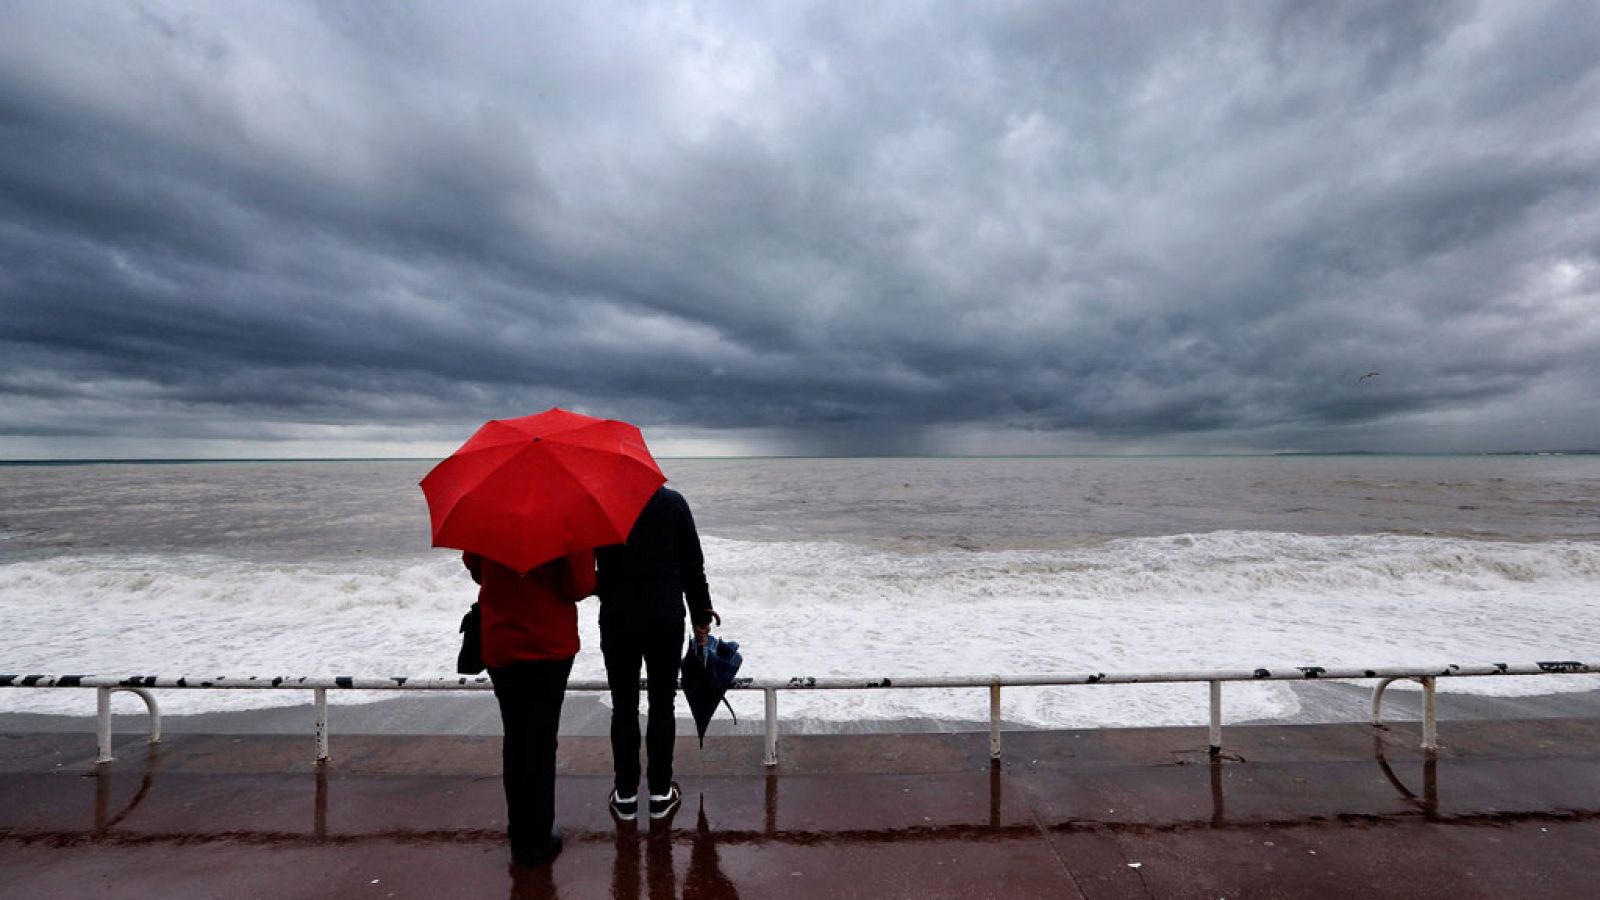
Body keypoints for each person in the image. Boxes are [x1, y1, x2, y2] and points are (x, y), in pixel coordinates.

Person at [464, 548, 595, 867]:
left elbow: (475, 566)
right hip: (549, 645)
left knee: (516, 737)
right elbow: (580, 585)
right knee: (542, 739)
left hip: (501, 641)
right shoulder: (567, 517)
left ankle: (519, 832)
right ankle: (539, 837)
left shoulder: (489, 509)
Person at [596, 485, 718, 822]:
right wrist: (700, 616)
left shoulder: (602, 506)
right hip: (665, 619)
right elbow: (694, 565)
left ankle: (625, 796)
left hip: (618, 620)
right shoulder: (674, 503)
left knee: (624, 705)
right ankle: (661, 792)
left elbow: (587, 573)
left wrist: (608, 584)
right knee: (662, 703)